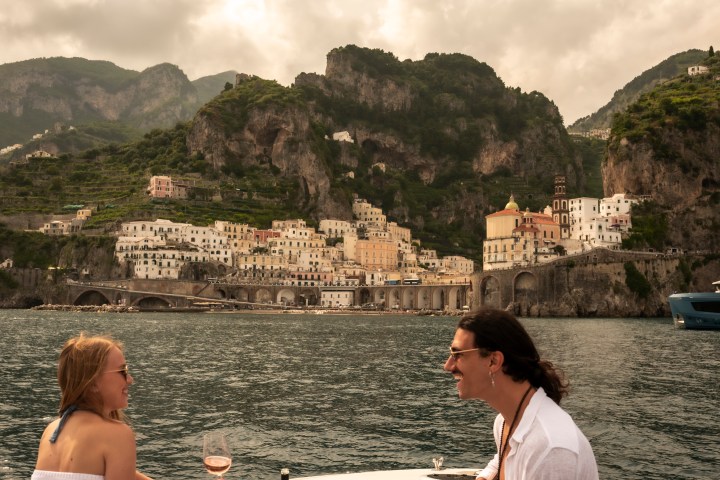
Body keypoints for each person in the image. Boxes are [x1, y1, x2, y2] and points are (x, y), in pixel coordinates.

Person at [444, 309, 598, 480]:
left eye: (457, 355)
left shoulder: (551, 449)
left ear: (493, 361)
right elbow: (503, 462)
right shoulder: (505, 422)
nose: (448, 366)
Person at [33, 333, 153, 480]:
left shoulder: (52, 432)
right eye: (122, 371)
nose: (130, 379)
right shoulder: (117, 435)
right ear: (93, 383)